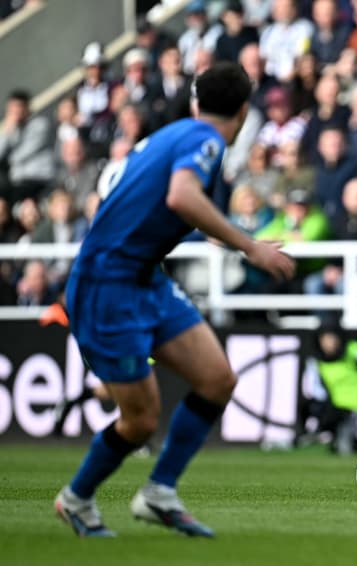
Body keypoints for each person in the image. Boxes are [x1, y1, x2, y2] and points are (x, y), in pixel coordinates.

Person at [53, 62, 296, 538]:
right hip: (108, 284)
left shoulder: (176, 134)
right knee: (141, 421)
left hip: (146, 278)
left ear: (194, 101)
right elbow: (181, 197)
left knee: (218, 380)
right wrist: (251, 246)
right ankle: (77, 499)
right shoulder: (203, 141)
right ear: (244, 111)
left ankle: (159, 493)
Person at [298, 317, 357, 455]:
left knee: (344, 446)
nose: (329, 343)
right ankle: (315, 435)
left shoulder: (353, 349)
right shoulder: (316, 359)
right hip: (332, 407)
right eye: (325, 339)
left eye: (332, 338)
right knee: (307, 408)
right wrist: (325, 401)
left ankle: (338, 439)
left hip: (355, 408)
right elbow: (314, 388)